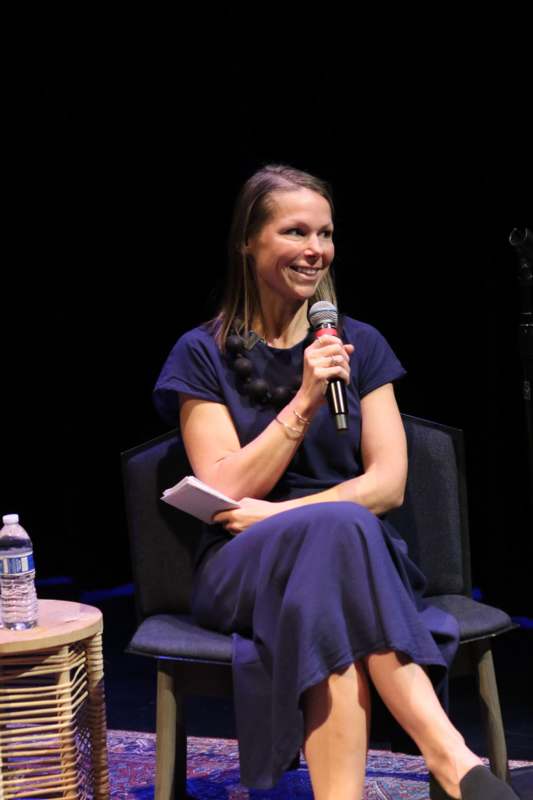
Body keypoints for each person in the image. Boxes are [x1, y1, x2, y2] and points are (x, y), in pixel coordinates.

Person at [153, 164, 518, 800]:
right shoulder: (200, 352)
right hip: (242, 563)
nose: (316, 249)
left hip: (348, 554)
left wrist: (282, 515)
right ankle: (453, 759)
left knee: (336, 549)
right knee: (340, 533)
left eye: (325, 233)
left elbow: (390, 485)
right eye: (296, 231)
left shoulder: (360, 344)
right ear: (249, 241)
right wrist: (305, 401)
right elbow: (223, 485)